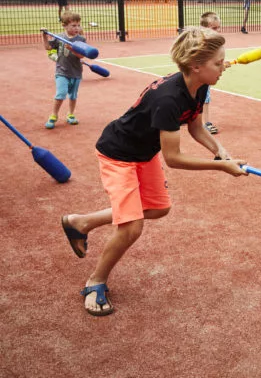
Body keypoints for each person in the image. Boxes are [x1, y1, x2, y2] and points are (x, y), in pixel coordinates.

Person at [59, 26, 246, 316]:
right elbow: (173, 158)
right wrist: (221, 167)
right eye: (218, 63)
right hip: (118, 154)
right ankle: (95, 282)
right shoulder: (169, 99)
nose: (224, 68)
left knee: (158, 208)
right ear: (196, 66)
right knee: (132, 226)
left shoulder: (200, 85)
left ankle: (81, 222)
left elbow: (196, 127)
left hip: (143, 154)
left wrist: (219, 150)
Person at [42, 11, 85, 129]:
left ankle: (71, 114)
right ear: (65, 25)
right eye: (73, 25)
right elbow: (48, 47)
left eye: (78, 25)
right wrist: (44, 36)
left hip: (76, 72)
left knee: (73, 96)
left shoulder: (81, 39)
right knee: (61, 94)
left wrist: (73, 49)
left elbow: (81, 56)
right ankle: (54, 115)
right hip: (62, 71)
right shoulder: (59, 37)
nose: (77, 28)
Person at [200, 12, 224, 134]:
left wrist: (220, 65)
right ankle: (205, 123)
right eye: (214, 28)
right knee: (204, 98)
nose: (217, 31)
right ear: (204, 28)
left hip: (202, 74)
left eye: (218, 28)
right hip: (199, 75)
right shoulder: (201, 42)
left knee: (202, 97)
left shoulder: (212, 42)